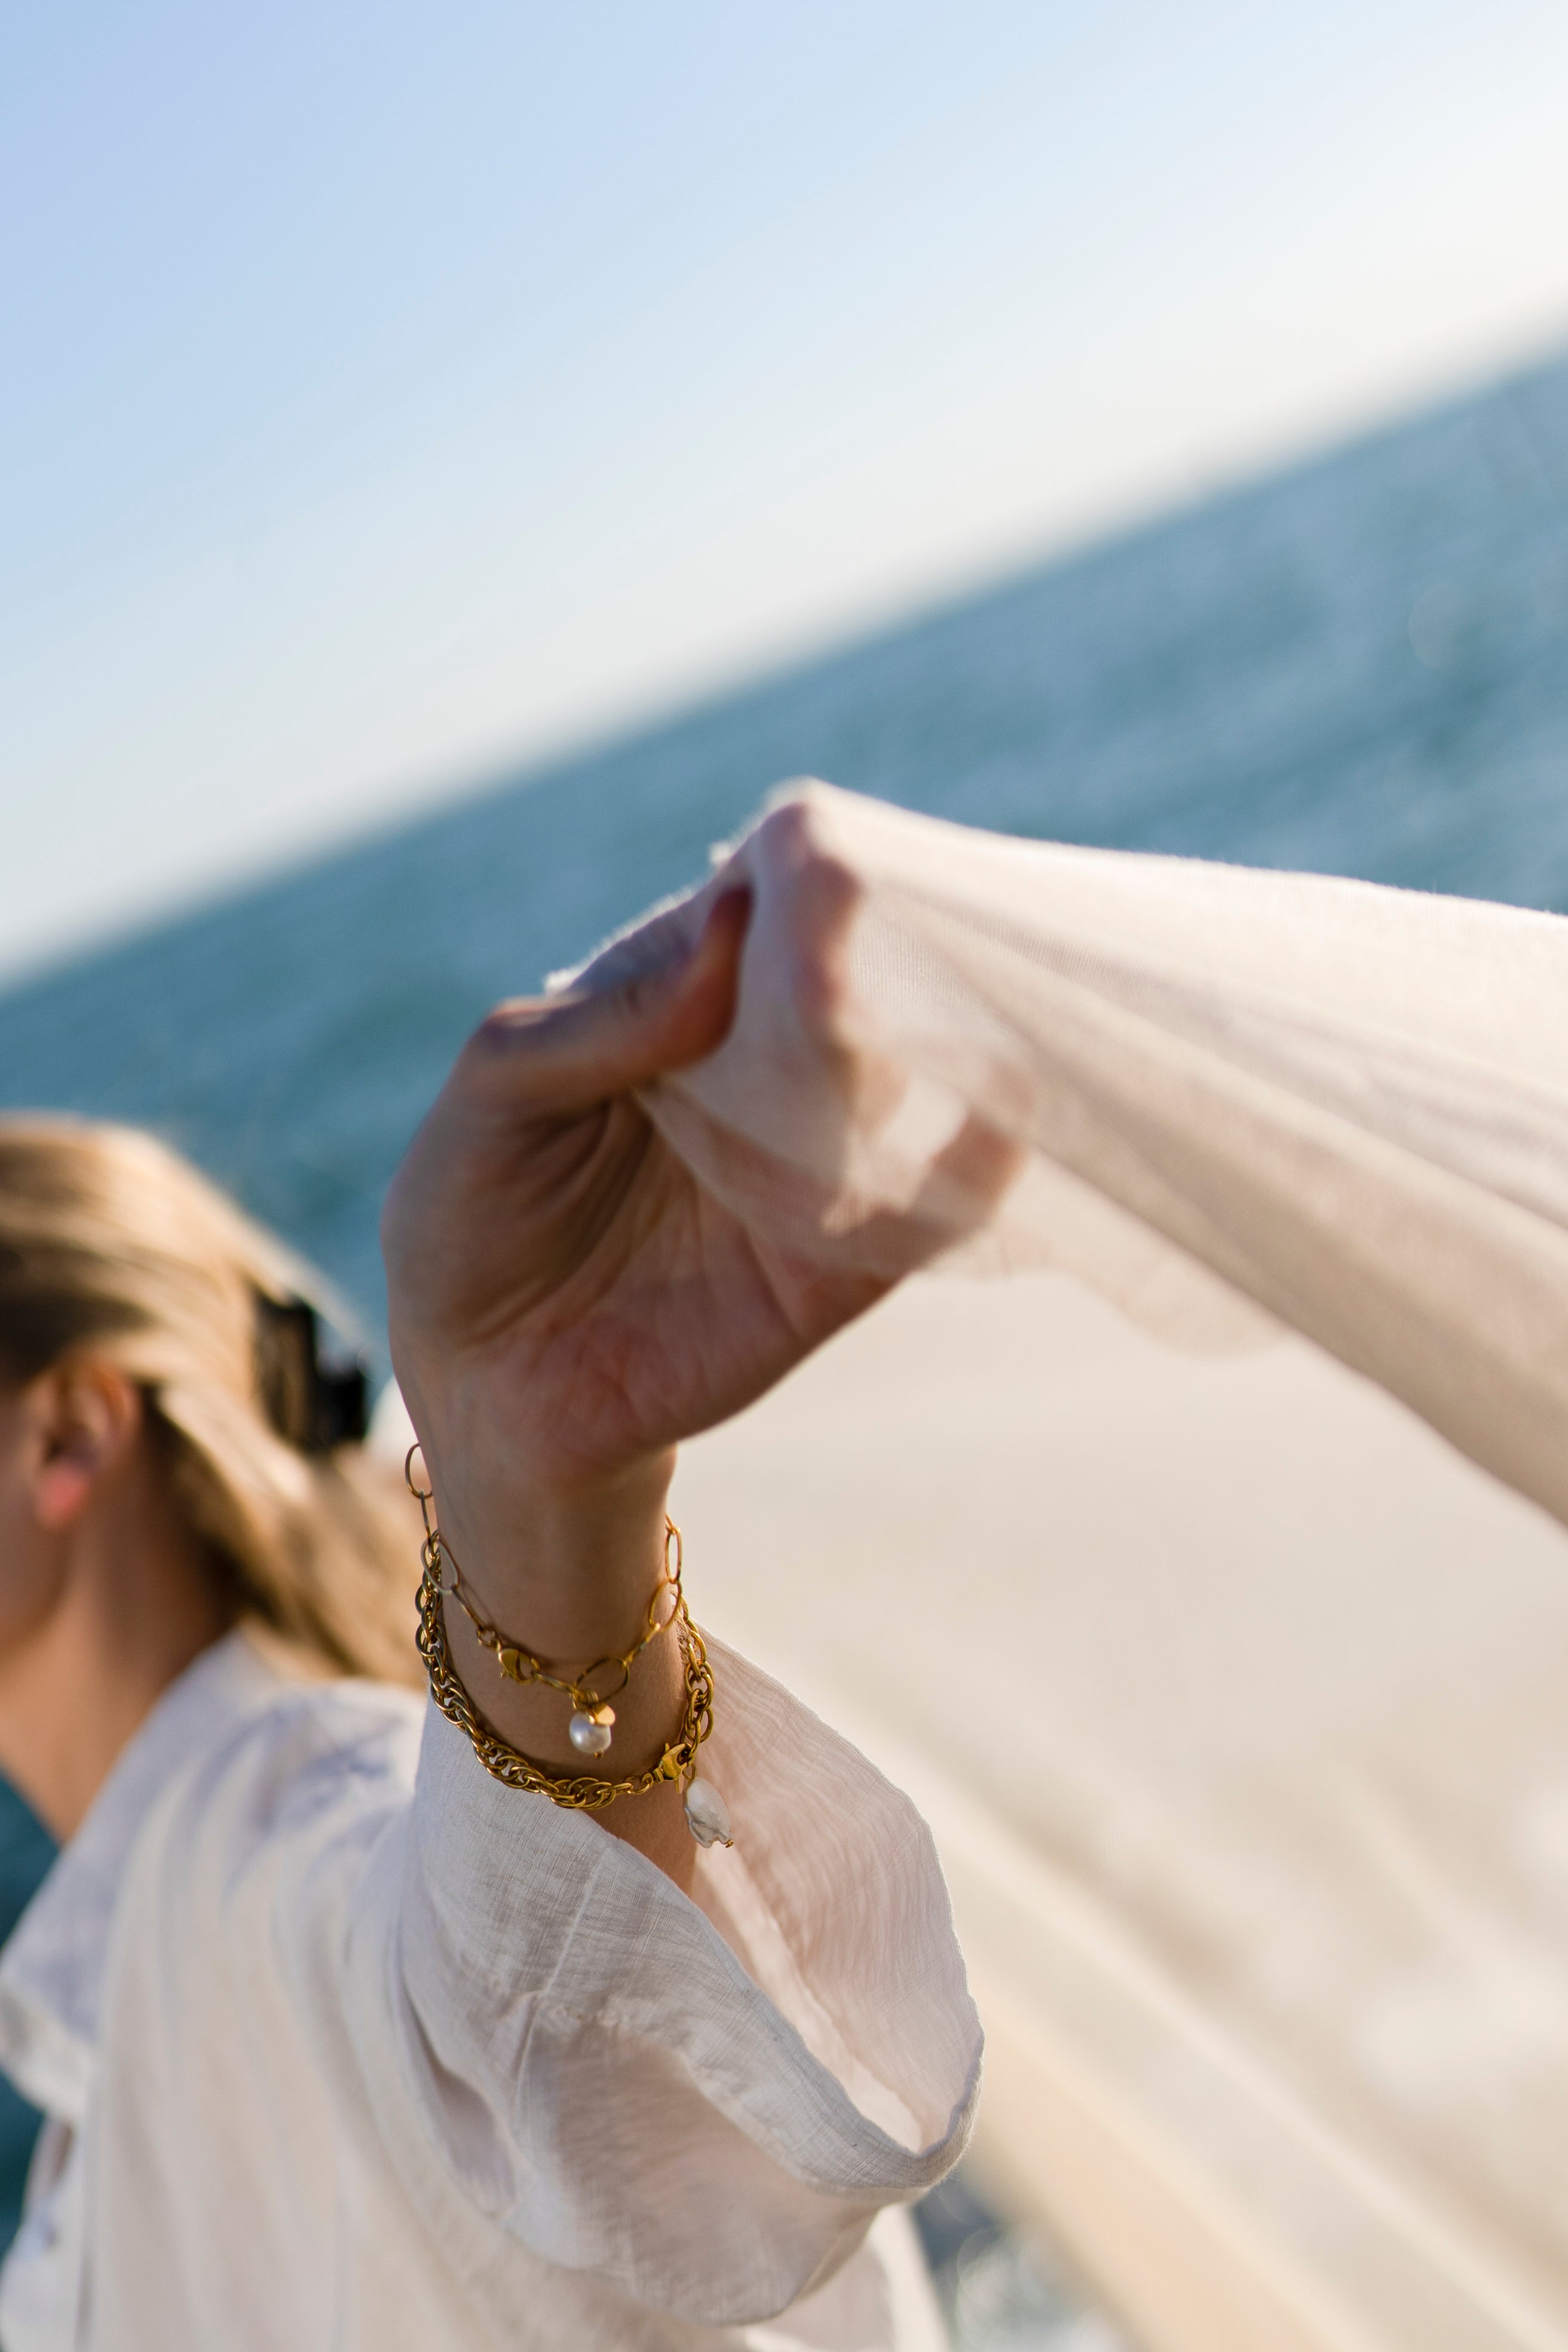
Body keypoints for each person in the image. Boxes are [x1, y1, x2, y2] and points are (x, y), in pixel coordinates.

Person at [0, 889, 979, 2351]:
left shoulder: (274, 1837)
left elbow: (528, 2067)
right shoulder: (121, 2012)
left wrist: (543, 1510)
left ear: (65, 1438)